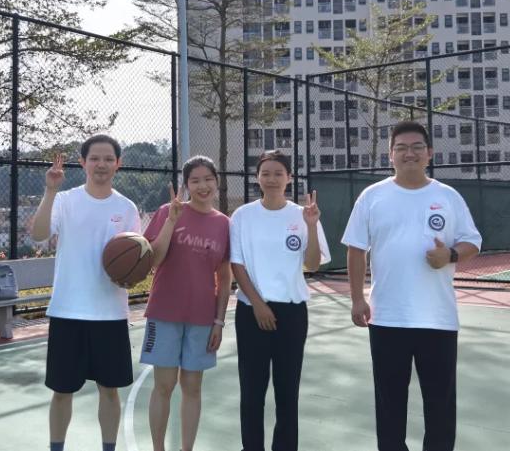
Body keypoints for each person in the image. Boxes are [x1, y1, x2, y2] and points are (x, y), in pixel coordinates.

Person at [341, 121, 482, 451]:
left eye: (417, 147)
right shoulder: (372, 197)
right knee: (389, 405)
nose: (409, 153)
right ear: (390, 155)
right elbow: (356, 249)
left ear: (429, 153)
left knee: (440, 406)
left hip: (438, 319)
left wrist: (449, 255)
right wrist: (357, 299)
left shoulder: (448, 196)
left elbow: (473, 242)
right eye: (401, 148)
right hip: (388, 318)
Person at [29, 134, 141, 451]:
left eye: (108, 159)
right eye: (94, 158)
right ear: (83, 163)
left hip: (110, 313)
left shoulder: (126, 208)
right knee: (62, 391)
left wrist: (131, 276)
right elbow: (38, 235)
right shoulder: (65, 200)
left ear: (118, 164)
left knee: (110, 390)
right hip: (68, 311)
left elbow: (136, 257)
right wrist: (50, 190)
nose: (101, 164)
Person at [229, 150, 330, 451]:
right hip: (251, 311)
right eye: (266, 173)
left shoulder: (303, 214)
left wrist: (311, 226)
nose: (271, 179)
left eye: (278, 173)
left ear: (289, 178)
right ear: (257, 177)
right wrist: (258, 304)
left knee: (287, 393)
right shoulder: (243, 216)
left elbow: (312, 264)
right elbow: (237, 264)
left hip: (292, 313)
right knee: (252, 392)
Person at [140, 156, 232, 451]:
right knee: (164, 385)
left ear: (217, 182)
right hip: (164, 312)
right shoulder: (168, 211)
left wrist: (219, 321)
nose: (202, 186)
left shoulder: (224, 224)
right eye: (195, 180)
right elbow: (154, 259)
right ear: (186, 184)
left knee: (192, 388)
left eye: (208, 179)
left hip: (202, 317)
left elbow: (225, 277)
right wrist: (171, 221)